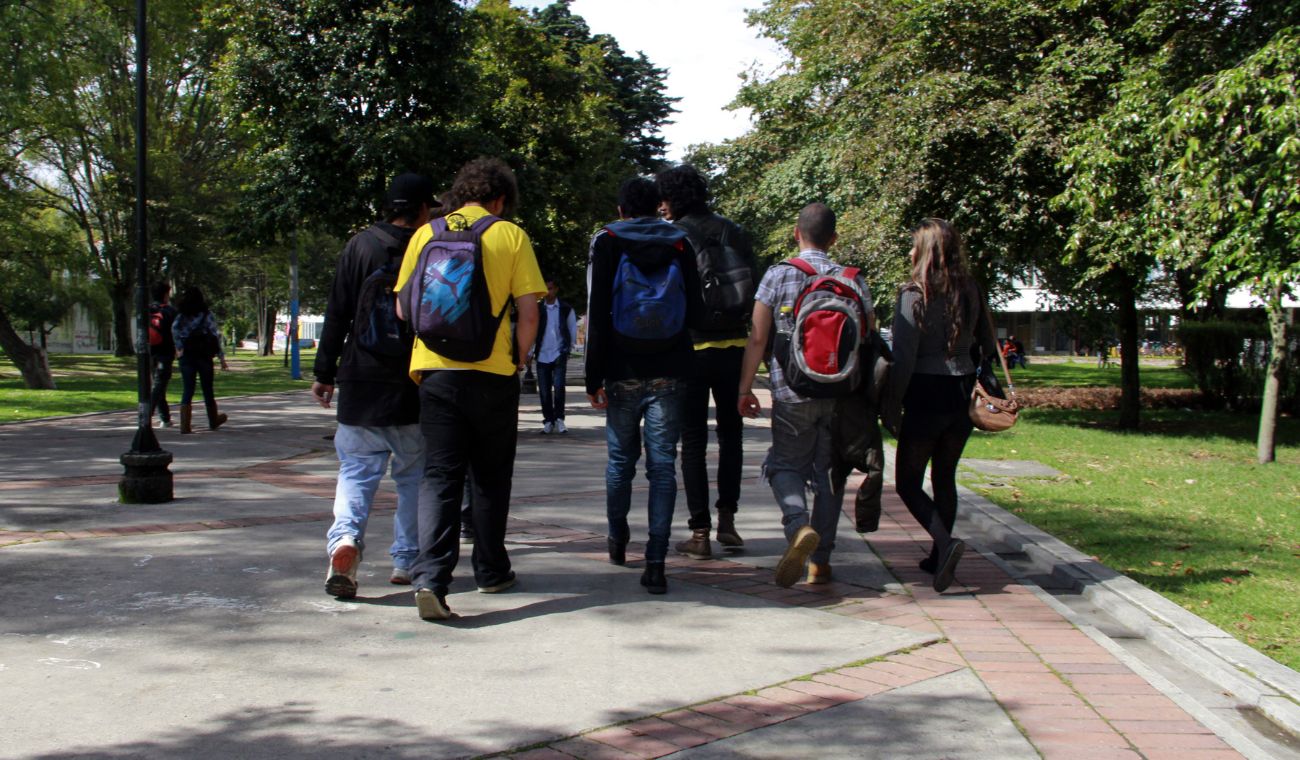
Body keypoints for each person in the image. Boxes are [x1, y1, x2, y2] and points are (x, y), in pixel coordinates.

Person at [395, 158, 546, 621]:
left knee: (440, 476)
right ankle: (491, 570)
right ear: (500, 198)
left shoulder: (426, 233)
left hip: (435, 371)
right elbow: (530, 312)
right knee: (490, 476)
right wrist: (519, 361)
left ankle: (431, 579)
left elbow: (404, 310)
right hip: (493, 371)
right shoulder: (510, 234)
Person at [312, 172, 435, 599]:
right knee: (413, 477)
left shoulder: (359, 246)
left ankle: (345, 541)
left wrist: (324, 372)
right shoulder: (429, 247)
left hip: (361, 377)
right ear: (421, 209)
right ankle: (406, 560)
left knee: (357, 473)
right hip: (413, 380)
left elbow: (338, 312)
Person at [738, 203, 873, 588]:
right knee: (829, 474)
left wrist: (745, 389)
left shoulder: (778, 275)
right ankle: (821, 563)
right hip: (841, 393)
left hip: (790, 390)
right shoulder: (853, 279)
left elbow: (758, 338)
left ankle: (798, 526)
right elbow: (866, 339)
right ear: (833, 238)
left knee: (785, 466)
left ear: (796, 233)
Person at [585, 177, 700, 595]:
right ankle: (656, 562)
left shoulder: (607, 241)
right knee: (663, 465)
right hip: (670, 365)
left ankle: (617, 541)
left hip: (621, 367)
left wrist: (593, 376)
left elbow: (597, 311)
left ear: (621, 209)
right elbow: (697, 310)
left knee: (620, 462)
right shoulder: (681, 241)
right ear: (659, 207)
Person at [884, 218, 997, 593]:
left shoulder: (914, 293)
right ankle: (937, 556)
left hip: (926, 393)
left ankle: (946, 545)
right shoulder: (971, 289)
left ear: (926, 251)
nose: (909, 251)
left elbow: (903, 358)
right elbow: (988, 343)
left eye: (914, 245)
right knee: (944, 476)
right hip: (962, 391)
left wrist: (891, 405)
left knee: (907, 482)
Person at [656, 164, 757, 559]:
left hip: (691, 349)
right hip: (734, 346)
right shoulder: (733, 230)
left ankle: (700, 532)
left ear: (674, 197)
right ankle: (728, 521)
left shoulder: (673, 236)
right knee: (731, 436)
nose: (661, 205)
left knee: (693, 440)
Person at [171, 286, 229, 434]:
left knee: (188, 389)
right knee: (207, 389)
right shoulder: (206, 314)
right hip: (203, 355)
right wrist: (222, 358)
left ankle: (185, 425)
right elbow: (215, 335)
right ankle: (213, 420)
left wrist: (179, 347)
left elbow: (174, 328)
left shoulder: (182, 315)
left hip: (187, 355)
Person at [534, 278, 578, 434]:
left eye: (550, 288)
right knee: (544, 391)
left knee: (559, 388)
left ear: (556, 289)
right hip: (542, 354)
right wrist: (529, 351)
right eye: (545, 289)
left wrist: (569, 347)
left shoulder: (565, 308)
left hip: (559, 352)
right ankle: (548, 421)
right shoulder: (538, 309)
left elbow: (572, 327)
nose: (548, 292)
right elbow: (532, 330)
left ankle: (559, 419)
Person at [148, 282, 178, 428]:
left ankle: (165, 418)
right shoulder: (170, 312)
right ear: (166, 294)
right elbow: (177, 332)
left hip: (150, 352)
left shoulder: (148, 310)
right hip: (165, 352)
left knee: (159, 384)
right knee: (160, 384)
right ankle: (147, 413)